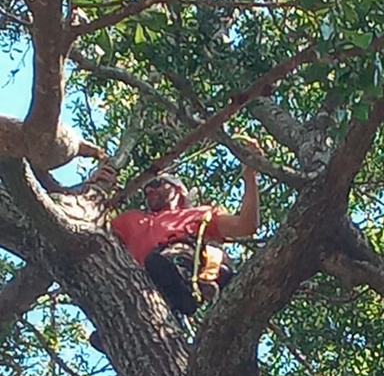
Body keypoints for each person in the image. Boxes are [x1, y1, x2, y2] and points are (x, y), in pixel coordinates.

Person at [88, 143, 260, 345]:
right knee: (151, 266)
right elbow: (89, 234)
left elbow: (246, 225)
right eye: (146, 188)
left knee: (168, 255)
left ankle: (184, 286)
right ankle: (126, 325)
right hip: (142, 283)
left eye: (157, 183)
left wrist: (250, 175)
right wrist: (93, 190)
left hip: (180, 262)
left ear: (178, 189)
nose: (149, 190)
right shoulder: (130, 219)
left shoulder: (200, 214)